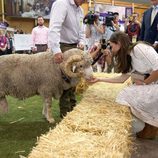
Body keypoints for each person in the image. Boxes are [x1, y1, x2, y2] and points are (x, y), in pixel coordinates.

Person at [89, 31, 158, 139]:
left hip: (154, 85)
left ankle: (133, 127)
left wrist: (145, 82)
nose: (110, 49)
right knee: (128, 91)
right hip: (152, 84)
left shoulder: (139, 49)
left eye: (111, 46)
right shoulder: (128, 56)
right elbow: (122, 78)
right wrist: (100, 80)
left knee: (126, 93)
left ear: (119, 43)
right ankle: (136, 126)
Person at [48, 0, 85, 118]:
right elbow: (54, 27)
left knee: (74, 80)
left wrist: (82, 41)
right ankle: (65, 113)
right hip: (63, 46)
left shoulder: (80, 9)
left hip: (75, 46)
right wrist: (56, 50)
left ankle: (72, 108)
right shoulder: (61, 4)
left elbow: (81, 30)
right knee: (65, 82)